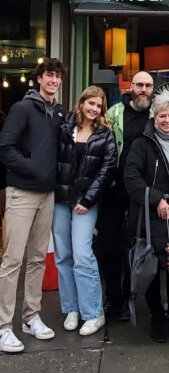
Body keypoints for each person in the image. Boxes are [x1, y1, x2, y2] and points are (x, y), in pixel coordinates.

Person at [0, 58, 65, 353]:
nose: (53, 80)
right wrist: (31, 168)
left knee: (38, 258)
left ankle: (31, 317)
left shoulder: (58, 113)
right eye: (49, 75)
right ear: (39, 78)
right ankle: (3, 326)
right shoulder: (23, 108)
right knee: (13, 259)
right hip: (22, 193)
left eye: (57, 76)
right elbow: (5, 148)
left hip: (47, 194)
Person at [124, 91, 169, 343]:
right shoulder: (142, 143)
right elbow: (131, 179)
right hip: (152, 216)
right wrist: (156, 198)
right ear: (154, 117)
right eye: (162, 115)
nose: (167, 120)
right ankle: (157, 316)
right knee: (152, 268)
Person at [54, 86, 117, 336]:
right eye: (90, 103)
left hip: (85, 202)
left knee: (82, 255)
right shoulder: (64, 128)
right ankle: (72, 308)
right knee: (63, 256)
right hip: (60, 198)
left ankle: (93, 312)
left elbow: (107, 169)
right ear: (81, 103)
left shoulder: (105, 134)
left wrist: (89, 199)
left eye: (98, 105)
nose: (94, 109)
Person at [97, 70, 155, 321]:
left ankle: (139, 300)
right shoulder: (114, 113)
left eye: (148, 86)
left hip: (143, 192)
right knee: (109, 244)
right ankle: (115, 299)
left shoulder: (156, 116)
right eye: (139, 85)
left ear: (153, 89)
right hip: (114, 189)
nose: (143, 90)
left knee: (141, 247)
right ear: (130, 87)